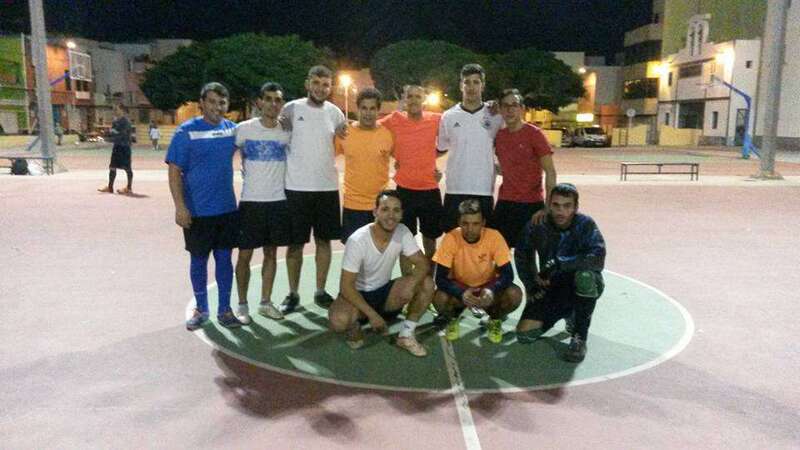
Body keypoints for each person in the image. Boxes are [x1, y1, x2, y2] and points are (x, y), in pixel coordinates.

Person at [166, 82, 242, 331]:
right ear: (201, 103)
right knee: (198, 261)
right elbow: (174, 171)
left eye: (222, 103)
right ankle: (201, 309)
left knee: (224, 260)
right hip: (197, 212)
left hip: (226, 209)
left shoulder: (232, 131)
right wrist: (180, 206)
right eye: (212, 102)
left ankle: (224, 309)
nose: (217, 107)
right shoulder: (186, 132)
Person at [328, 190, 435, 356]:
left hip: (385, 294)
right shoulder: (357, 240)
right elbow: (346, 286)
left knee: (427, 283)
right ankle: (356, 324)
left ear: (401, 214)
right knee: (338, 322)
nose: (391, 215)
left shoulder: (402, 232)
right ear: (375, 212)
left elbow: (422, 263)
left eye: (396, 210)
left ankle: (406, 335)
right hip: (357, 295)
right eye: (385, 209)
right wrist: (373, 315)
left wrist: (411, 285)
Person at [514, 183, 606, 363]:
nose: (560, 211)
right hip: (552, 288)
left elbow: (598, 258)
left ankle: (579, 337)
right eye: (556, 205)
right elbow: (522, 255)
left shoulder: (586, 224)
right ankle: (571, 314)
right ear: (549, 205)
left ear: (575, 207)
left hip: (580, 285)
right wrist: (531, 285)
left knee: (585, 276)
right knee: (524, 335)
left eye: (567, 206)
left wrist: (560, 263)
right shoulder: (538, 225)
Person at [280, 65, 346, 313]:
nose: (320, 88)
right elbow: (277, 138)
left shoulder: (335, 113)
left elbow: (344, 139)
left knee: (324, 242)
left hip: (326, 188)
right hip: (296, 188)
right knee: (295, 245)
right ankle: (293, 293)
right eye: (316, 83)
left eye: (325, 84)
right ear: (307, 83)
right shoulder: (291, 109)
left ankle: (320, 290)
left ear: (331, 87)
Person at [233, 82, 291, 324]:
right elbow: (223, 155)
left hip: (277, 202)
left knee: (271, 254)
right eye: (268, 99)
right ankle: (242, 305)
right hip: (251, 203)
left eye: (277, 100)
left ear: (282, 104)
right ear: (259, 102)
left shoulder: (286, 132)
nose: (273, 104)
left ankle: (265, 302)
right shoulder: (243, 129)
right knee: (244, 255)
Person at [432, 199, 522, 343]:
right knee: (439, 298)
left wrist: (491, 289)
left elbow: (508, 274)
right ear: (459, 222)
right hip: (461, 288)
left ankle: (494, 319)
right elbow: (440, 278)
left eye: (475, 224)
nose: (470, 229)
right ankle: (453, 318)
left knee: (514, 294)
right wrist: (461, 292)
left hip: (487, 287)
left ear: (483, 223)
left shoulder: (494, 237)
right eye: (465, 223)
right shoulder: (450, 238)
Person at [378, 85, 443, 275]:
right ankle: (407, 283)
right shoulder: (394, 119)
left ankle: (428, 280)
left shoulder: (436, 119)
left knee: (430, 240)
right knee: (404, 241)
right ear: (404, 100)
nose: (414, 100)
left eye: (418, 96)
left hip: (430, 190)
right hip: (405, 191)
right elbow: (372, 127)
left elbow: (456, 127)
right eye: (410, 96)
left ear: (424, 100)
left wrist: (433, 157)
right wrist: (395, 154)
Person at [437, 63, 503, 233]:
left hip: (483, 188)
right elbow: (440, 148)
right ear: (461, 85)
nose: (471, 87)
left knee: (483, 238)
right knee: (453, 237)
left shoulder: (496, 115)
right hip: (455, 187)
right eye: (467, 82)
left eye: (476, 82)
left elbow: (508, 142)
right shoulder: (448, 116)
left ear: (483, 85)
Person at [490, 88, 557, 248]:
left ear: (522, 109)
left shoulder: (535, 134)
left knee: (529, 254)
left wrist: (548, 207)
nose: (510, 110)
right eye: (505, 106)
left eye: (514, 105)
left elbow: (550, 172)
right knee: (498, 251)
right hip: (505, 203)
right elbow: (507, 167)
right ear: (500, 109)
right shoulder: (499, 136)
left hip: (531, 204)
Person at [336, 87, 394, 243]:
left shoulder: (387, 135)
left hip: (380, 206)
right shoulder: (344, 133)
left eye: (372, 108)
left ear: (378, 110)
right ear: (358, 109)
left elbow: (404, 159)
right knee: (354, 252)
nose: (368, 113)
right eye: (364, 108)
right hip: (353, 205)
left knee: (380, 251)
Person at [98, 104, 134, 195]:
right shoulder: (115, 121)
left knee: (127, 168)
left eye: (117, 109)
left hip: (124, 147)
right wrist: (107, 135)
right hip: (117, 146)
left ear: (122, 110)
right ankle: (110, 187)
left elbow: (123, 134)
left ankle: (129, 187)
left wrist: (115, 133)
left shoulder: (126, 121)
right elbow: (113, 133)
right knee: (112, 166)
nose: (115, 111)